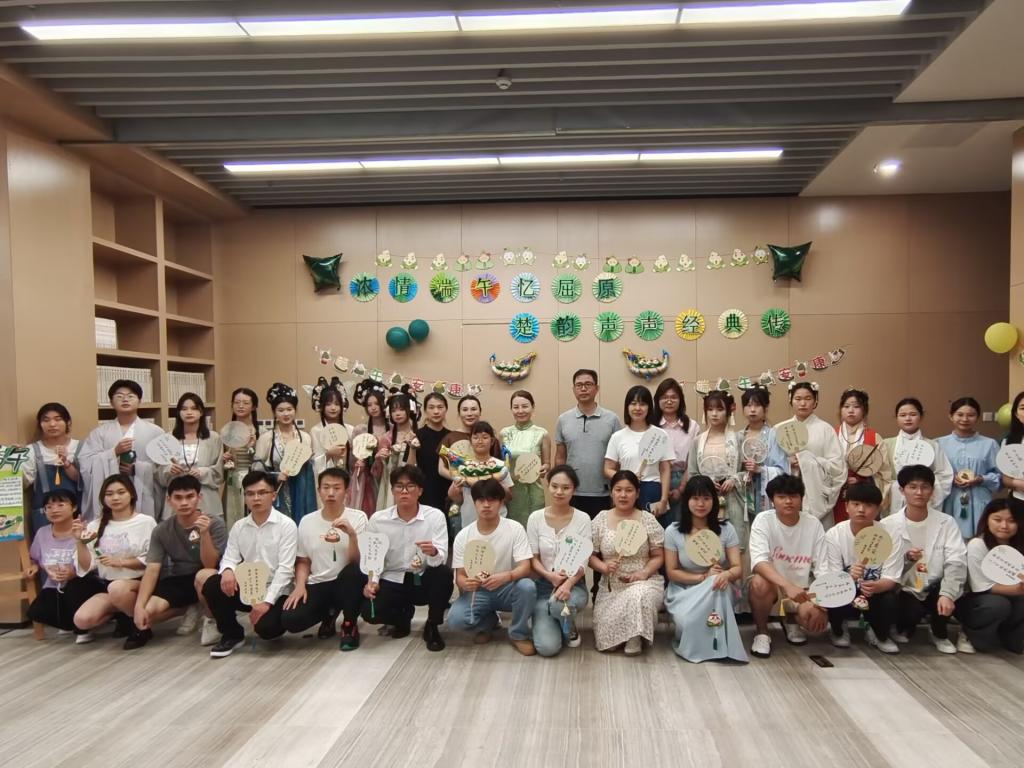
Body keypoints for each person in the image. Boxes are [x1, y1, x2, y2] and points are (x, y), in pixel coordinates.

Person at [201, 471, 296, 658]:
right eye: (250, 494)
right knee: (213, 584)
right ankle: (232, 634)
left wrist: (267, 602)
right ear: (244, 497)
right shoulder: (239, 526)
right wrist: (228, 570)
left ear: (273, 495)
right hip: (248, 587)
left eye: (262, 493)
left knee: (267, 629)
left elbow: (285, 570)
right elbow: (230, 557)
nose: (256, 498)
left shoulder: (286, 525)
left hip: (276, 591)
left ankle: (270, 618)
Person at [360, 465, 452, 652]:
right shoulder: (378, 519)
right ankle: (401, 618)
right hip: (392, 577)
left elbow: (440, 559)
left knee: (443, 574)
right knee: (370, 613)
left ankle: (432, 625)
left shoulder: (435, 517)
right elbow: (372, 559)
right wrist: (372, 582)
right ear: (392, 490)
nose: (404, 491)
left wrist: (433, 552)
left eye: (410, 486)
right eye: (399, 486)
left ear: (420, 491)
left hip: (422, 576)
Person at [133, 475, 227, 649]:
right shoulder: (161, 530)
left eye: (190, 497)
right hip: (180, 578)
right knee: (149, 613)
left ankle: (210, 619)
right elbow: (152, 569)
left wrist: (204, 533)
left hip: (210, 577)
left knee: (203, 575)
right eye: (178, 498)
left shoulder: (215, 523)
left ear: (199, 497)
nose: (184, 503)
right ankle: (190, 608)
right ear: (169, 500)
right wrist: (139, 606)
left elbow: (210, 564)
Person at [881, 465, 967, 653]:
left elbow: (956, 560)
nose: (919, 492)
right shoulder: (888, 525)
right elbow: (883, 566)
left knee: (951, 594)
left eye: (925, 487)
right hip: (904, 586)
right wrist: (906, 559)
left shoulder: (947, 522)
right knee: (909, 611)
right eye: (912, 487)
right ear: (902, 490)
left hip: (936, 584)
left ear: (932, 490)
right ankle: (903, 626)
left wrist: (947, 593)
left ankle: (939, 632)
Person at [281, 468, 367, 651]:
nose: (331, 493)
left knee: (352, 573)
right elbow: (303, 560)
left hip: (347, 582)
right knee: (291, 620)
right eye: (326, 487)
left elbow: (357, 562)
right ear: (319, 490)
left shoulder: (358, 517)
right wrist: (300, 585)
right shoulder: (307, 521)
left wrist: (352, 535)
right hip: (319, 582)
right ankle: (329, 614)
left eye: (337, 488)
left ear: (346, 491)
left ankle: (349, 625)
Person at [449, 478, 537, 655]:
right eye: (481, 500)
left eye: (492, 500)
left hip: (508, 587)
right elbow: (460, 576)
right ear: (474, 503)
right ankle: (487, 623)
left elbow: (525, 567)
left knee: (527, 587)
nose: (486, 505)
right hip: (479, 591)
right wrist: (467, 584)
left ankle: (518, 634)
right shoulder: (464, 535)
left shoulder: (514, 528)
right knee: (455, 620)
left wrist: (506, 576)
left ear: (501, 502)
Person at [664, 476, 747, 663]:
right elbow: (672, 572)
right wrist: (703, 577)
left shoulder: (726, 529)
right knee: (687, 622)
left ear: (714, 501)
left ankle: (723, 649)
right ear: (686, 501)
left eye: (706, 498)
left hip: (720, 587)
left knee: (716, 585)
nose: (700, 504)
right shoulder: (673, 531)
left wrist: (725, 574)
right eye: (695, 498)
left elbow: (737, 568)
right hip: (685, 589)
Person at [747, 474, 829, 658]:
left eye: (793, 496)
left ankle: (791, 621)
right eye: (781, 496)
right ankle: (762, 632)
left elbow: (823, 568)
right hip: (774, 587)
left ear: (801, 498)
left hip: (804, 591)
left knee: (812, 621)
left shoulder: (813, 524)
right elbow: (759, 562)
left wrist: (822, 606)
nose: (788, 501)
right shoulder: (763, 520)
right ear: (772, 500)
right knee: (759, 583)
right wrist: (787, 585)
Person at [72, 474, 157, 646]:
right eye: (109, 494)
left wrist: (121, 562)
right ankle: (123, 615)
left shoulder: (146, 522)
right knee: (82, 620)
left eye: (121, 492)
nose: (115, 498)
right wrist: (79, 541)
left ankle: (141, 626)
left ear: (131, 494)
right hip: (108, 585)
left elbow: (153, 559)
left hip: (138, 582)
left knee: (117, 588)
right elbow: (86, 566)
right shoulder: (95, 525)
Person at [589, 470, 665, 656]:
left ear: (637, 493)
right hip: (612, 586)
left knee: (639, 594)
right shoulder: (601, 519)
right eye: (618, 490)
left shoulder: (647, 519)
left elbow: (658, 556)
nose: (623, 495)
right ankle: (625, 632)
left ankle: (635, 636)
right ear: (611, 492)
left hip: (644, 581)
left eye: (629, 490)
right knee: (607, 645)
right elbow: (590, 556)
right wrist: (603, 567)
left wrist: (644, 573)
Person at [824, 482, 903, 654]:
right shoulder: (834, 535)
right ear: (846, 507)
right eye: (856, 504)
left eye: (868, 505)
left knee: (889, 599)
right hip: (845, 590)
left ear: (878, 509)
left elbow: (891, 577)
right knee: (832, 595)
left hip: (876, 591)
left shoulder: (890, 535)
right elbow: (831, 577)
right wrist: (849, 578)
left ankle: (879, 633)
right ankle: (838, 629)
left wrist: (876, 586)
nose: (861, 509)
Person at [526, 465, 591, 657]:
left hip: (574, 585)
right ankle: (548, 618)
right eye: (554, 486)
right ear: (548, 486)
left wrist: (568, 584)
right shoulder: (535, 518)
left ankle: (567, 624)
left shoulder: (583, 519)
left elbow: (583, 561)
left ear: (574, 490)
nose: (559, 492)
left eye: (565, 487)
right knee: (548, 648)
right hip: (543, 586)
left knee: (558, 605)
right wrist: (549, 576)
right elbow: (533, 558)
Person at [78, 379, 165, 520]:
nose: (125, 399)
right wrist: (113, 453)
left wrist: (137, 469)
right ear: (111, 402)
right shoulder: (99, 433)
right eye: (119, 396)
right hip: (112, 494)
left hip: (144, 492)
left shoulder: (155, 432)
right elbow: (86, 464)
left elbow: (163, 468)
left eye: (130, 396)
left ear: (139, 401)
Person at [24, 490, 103, 639]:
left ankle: (84, 629)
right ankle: (70, 624)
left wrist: (73, 573)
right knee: (36, 611)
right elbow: (35, 558)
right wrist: (34, 567)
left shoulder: (86, 530)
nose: (54, 510)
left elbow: (95, 562)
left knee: (75, 588)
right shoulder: (42, 533)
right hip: (55, 585)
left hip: (84, 582)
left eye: (60, 505)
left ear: (74, 507)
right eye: (48, 507)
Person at [775, 382, 845, 531]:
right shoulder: (779, 429)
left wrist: (806, 461)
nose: (802, 403)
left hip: (816, 494)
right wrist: (786, 462)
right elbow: (771, 464)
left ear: (815, 402)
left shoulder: (825, 429)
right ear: (790, 400)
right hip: (788, 493)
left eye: (808, 398)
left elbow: (838, 466)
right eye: (798, 399)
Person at [957, 498, 1024, 654]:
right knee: (998, 605)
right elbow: (981, 587)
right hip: (976, 599)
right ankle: (969, 633)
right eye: (997, 520)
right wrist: (1019, 589)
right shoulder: (977, 545)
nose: (1004, 526)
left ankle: (1011, 637)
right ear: (987, 520)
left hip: (1013, 594)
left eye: (1011, 521)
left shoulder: (1019, 545)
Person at [554, 369, 622, 519]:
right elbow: (560, 457)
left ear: (597, 388)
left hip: (603, 493)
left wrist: (617, 489)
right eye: (579, 385)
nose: (583, 388)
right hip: (571, 492)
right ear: (573, 389)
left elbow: (618, 459)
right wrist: (559, 485)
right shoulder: (563, 420)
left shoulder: (612, 419)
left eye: (588, 384)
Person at [603, 385, 673, 521]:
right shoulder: (618, 437)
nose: (637, 408)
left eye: (642, 404)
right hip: (626, 492)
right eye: (633, 403)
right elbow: (607, 469)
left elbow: (665, 469)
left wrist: (664, 500)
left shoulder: (660, 435)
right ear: (627, 407)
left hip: (653, 491)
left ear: (649, 407)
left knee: (653, 531)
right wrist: (626, 477)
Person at [936, 397, 1000, 539]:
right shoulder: (938, 444)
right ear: (951, 416)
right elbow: (932, 475)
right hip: (950, 499)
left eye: (971, 415)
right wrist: (949, 478)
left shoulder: (990, 444)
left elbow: (1000, 476)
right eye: (960, 414)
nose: (965, 419)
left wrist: (981, 479)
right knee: (949, 539)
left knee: (980, 541)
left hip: (979, 499)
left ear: (977, 417)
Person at [253, 383, 318, 521]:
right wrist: (275, 476)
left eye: (289, 409)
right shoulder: (266, 439)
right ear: (274, 412)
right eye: (281, 410)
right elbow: (256, 470)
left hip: (300, 494)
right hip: (276, 493)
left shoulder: (305, 437)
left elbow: (311, 470)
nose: (286, 414)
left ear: (295, 410)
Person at [687, 391, 744, 545]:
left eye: (720, 409)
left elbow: (748, 471)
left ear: (729, 411)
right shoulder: (698, 441)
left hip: (732, 496)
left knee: (735, 542)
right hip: (705, 499)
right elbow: (692, 472)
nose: (714, 414)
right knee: (707, 543)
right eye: (710, 409)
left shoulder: (738, 439)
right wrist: (706, 483)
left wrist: (734, 479)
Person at [157, 393, 224, 520]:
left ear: (201, 412)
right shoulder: (168, 438)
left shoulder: (213, 438)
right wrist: (169, 469)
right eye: (184, 409)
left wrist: (202, 472)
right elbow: (158, 472)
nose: (189, 412)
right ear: (178, 413)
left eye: (193, 408)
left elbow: (219, 471)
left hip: (206, 496)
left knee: (207, 529)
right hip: (177, 496)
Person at [883, 397, 953, 515]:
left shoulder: (932, 445)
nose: (908, 418)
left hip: (924, 498)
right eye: (903, 415)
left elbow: (945, 474)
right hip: (895, 498)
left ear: (921, 416)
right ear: (896, 417)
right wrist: (893, 488)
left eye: (913, 414)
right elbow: (880, 476)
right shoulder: (886, 444)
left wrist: (926, 490)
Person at [833, 388, 892, 525]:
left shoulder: (874, 438)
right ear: (840, 410)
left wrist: (863, 482)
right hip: (835, 498)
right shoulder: (831, 434)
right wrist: (840, 480)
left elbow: (884, 476)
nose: (851, 410)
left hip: (864, 498)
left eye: (856, 406)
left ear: (864, 410)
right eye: (846, 406)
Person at [23, 402, 81, 537]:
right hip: (44, 516)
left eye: (58, 419)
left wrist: (66, 462)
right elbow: (24, 482)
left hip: (76, 513)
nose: (52, 424)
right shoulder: (32, 450)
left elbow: (85, 480)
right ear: (40, 425)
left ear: (68, 423)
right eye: (46, 420)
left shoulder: (81, 447)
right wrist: (13, 458)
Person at [447, 421, 513, 532]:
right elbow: (457, 499)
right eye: (475, 437)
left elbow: (509, 498)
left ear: (492, 441)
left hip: (498, 521)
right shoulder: (463, 467)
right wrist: (455, 490)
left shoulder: (501, 466)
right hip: (470, 521)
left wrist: (500, 487)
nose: (480, 441)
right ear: (470, 440)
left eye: (485, 437)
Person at [653, 378, 700, 527]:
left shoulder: (692, 426)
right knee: (657, 526)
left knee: (681, 527)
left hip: (683, 479)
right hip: (656, 479)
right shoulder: (650, 426)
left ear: (681, 400)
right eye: (664, 397)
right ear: (657, 400)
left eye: (673, 397)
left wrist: (681, 489)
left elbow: (693, 461)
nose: (669, 401)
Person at [500, 390, 550, 527]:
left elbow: (547, 464)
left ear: (533, 407)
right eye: (516, 407)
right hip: (511, 491)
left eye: (525, 406)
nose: (520, 411)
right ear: (511, 409)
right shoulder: (504, 433)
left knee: (534, 527)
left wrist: (545, 468)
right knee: (512, 529)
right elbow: (500, 464)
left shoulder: (542, 433)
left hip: (533, 490)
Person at [737, 386, 788, 522]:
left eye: (757, 405)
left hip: (765, 495)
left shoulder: (773, 435)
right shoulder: (738, 436)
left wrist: (760, 469)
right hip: (742, 495)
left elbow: (782, 470)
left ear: (765, 408)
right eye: (748, 405)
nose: (752, 410)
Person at [348, 380, 390, 515]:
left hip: (388, 476)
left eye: (376, 403)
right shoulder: (360, 430)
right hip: (367, 479)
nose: (373, 407)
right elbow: (352, 460)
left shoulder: (392, 429)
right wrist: (358, 463)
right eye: (369, 405)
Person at [220, 387, 259, 529]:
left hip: (251, 479)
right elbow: (219, 462)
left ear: (254, 406)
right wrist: (224, 459)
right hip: (231, 479)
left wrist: (252, 448)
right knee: (231, 516)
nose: (240, 406)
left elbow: (262, 461)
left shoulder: (259, 431)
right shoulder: (225, 431)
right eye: (237, 402)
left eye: (246, 403)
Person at [376, 391, 420, 510]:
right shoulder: (386, 437)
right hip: (392, 483)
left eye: (401, 409)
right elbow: (379, 471)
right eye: (394, 411)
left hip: (413, 482)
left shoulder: (418, 435)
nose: (397, 413)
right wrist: (381, 458)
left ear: (409, 410)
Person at [415, 392, 451, 512]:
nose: (436, 411)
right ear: (425, 410)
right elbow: (410, 467)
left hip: (448, 492)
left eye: (440, 407)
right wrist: (411, 447)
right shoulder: (417, 435)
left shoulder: (451, 436)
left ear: (446, 409)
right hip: (424, 493)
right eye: (431, 407)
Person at [310, 382, 353, 477]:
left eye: (337, 404)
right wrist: (328, 454)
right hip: (326, 478)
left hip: (346, 478)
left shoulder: (350, 429)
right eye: (328, 404)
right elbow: (314, 462)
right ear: (322, 406)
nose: (333, 408)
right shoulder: (316, 430)